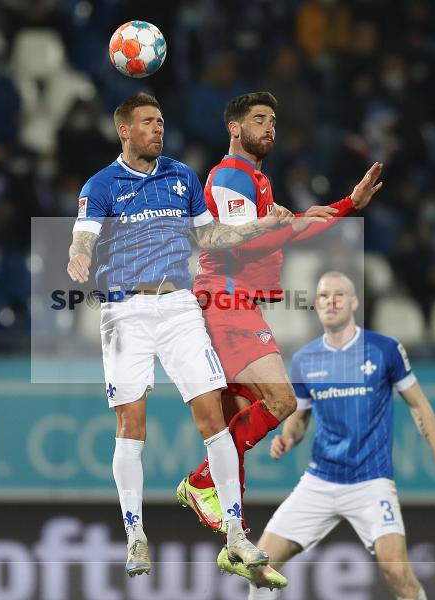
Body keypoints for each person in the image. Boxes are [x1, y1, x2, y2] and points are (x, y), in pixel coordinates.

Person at [66, 92, 291, 577]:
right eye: (147, 122)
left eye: (161, 120)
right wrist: (79, 253)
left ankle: (236, 533)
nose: (158, 129)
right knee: (132, 427)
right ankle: (136, 535)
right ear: (124, 130)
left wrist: (260, 225)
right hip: (125, 311)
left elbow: (212, 238)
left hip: (178, 307)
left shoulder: (182, 176)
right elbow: (83, 231)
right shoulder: (102, 184)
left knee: (212, 415)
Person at [176, 91, 382, 538]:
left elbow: (293, 229)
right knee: (282, 401)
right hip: (226, 301)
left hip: (231, 303)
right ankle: (201, 482)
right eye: (258, 119)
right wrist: (283, 225)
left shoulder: (256, 181)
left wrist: (349, 205)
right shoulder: (232, 174)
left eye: (272, 119)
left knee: (239, 422)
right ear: (235, 128)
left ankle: (236, 538)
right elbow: (236, 242)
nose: (269, 126)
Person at [222, 272, 435, 599]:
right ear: (316, 306)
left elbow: (419, 406)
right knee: (259, 567)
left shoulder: (384, 350)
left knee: (396, 571)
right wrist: (288, 437)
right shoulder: (305, 360)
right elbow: (300, 419)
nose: (330, 302)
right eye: (323, 296)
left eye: (338, 295)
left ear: (353, 302)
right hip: (321, 480)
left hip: (370, 480)